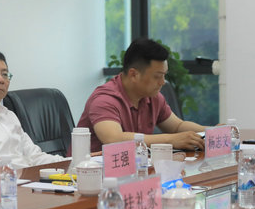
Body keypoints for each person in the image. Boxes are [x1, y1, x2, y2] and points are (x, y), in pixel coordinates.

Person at [77, 38, 206, 152]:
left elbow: (177, 126)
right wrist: (170, 140)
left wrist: (210, 131)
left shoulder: (153, 97)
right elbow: (113, 139)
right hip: (89, 170)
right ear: (134, 74)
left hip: (135, 167)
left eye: (164, 75)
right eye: (157, 76)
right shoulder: (105, 100)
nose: (163, 82)